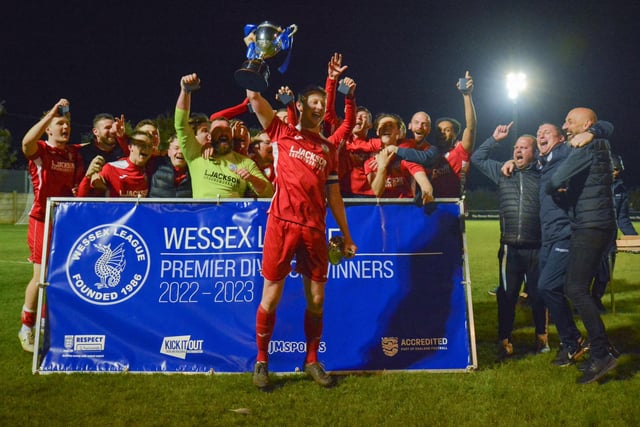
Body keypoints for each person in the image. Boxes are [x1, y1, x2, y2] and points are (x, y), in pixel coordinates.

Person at [246, 83, 357, 389]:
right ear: (302, 105)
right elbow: (254, 97)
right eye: (314, 102)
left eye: (323, 103)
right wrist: (256, 56)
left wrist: (346, 235)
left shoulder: (328, 148)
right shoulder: (281, 131)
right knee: (271, 296)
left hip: (314, 228)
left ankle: (311, 360)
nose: (319, 107)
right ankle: (261, 361)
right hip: (281, 223)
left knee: (317, 299)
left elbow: (334, 195)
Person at [547, 107, 618, 384]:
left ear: (588, 124)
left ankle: (601, 354)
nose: (565, 126)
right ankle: (604, 347)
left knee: (575, 288)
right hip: (595, 223)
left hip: (592, 225)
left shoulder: (591, 143)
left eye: (570, 121)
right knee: (577, 288)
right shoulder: (595, 142)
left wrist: (558, 189)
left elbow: (554, 181)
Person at [471, 122, 548, 357]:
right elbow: (477, 158)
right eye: (516, 147)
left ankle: (542, 337)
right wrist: (495, 139)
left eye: (524, 147)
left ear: (534, 152)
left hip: (537, 246)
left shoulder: (544, 174)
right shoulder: (504, 171)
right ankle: (504, 338)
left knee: (539, 295)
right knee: (507, 296)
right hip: (509, 248)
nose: (518, 151)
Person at [18, 99, 84, 352]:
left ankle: (47, 325)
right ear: (48, 128)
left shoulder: (73, 154)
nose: (65, 127)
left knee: (57, 276)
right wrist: (51, 113)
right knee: (40, 275)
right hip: (41, 220)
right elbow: (25, 143)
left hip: (64, 223)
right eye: (60, 123)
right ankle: (26, 328)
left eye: (67, 124)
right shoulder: (42, 150)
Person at [174, 74, 273, 199]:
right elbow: (181, 125)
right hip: (202, 216)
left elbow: (269, 193)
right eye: (218, 130)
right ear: (209, 137)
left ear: (231, 136)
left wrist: (252, 179)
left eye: (227, 130)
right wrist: (185, 91)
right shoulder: (195, 155)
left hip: (230, 218)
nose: (223, 133)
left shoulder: (245, 163)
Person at [393, 72, 477, 198]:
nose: (442, 133)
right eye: (439, 130)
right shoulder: (431, 151)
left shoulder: (460, 150)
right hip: (430, 205)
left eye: (447, 130)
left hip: (452, 206)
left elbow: (471, 128)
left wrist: (467, 96)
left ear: (455, 134)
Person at [590, 154, 638, 312]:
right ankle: (583, 303)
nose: (614, 172)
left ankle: (596, 298)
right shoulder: (591, 185)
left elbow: (622, 218)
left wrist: (634, 238)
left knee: (605, 274)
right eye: (612, 168)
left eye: (617, 169)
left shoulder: (621, 190)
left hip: (609, 239)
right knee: (587, 272)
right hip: (590, 235)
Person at [364, 113, 434, 202]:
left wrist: (427, 189)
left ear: (398, 131)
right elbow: (377, 192)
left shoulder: (405, 156)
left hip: (405, 209)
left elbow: (419, 174)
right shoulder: (370, 161)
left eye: (391, 126)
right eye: (383, 125)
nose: (386, 128)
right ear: (377, 131)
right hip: (382, 212)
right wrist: (382, 168)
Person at [78, 130, 154, 197]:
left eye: (149, 146)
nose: (146, 148)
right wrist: (88, 177)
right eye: (141, 144)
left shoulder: (153, 169)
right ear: (130, 147)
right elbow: (81, 198)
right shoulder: (111, 168)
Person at [77, 113, 127, 196]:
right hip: (91, 205)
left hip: (119, 204)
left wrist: (122, 136)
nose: (112, 131)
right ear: (95, 131)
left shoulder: (123, 150)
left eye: (113, 127)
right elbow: (76, 187)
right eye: (107, 128)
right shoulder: (83, 153)